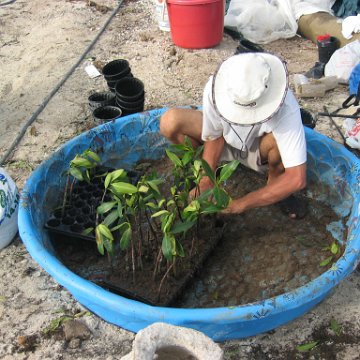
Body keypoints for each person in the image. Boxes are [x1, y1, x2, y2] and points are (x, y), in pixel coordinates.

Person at [159, 52, 307, 219]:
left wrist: (241, 204)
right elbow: (214, 134)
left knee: (281, 146)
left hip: (259, 150)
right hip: (226, 140)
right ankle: (202, 172)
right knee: (170, 121)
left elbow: (296, 177)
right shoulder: (216, 89)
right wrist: (207, 178)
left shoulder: (285, 104)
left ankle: (275, 184)